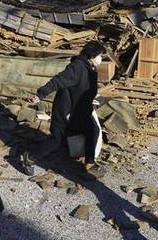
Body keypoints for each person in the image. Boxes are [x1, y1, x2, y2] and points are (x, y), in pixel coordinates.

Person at [22, 40, 106, 173]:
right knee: (57, 139)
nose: (101, 58)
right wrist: (41, 93)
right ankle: (30, 157)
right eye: (100, 55)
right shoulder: (77, 67)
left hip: (80, 110)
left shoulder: (91, 69)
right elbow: (58, 80)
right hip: (66, 110)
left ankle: (89, 163)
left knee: (92, 131)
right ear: (92, 55)